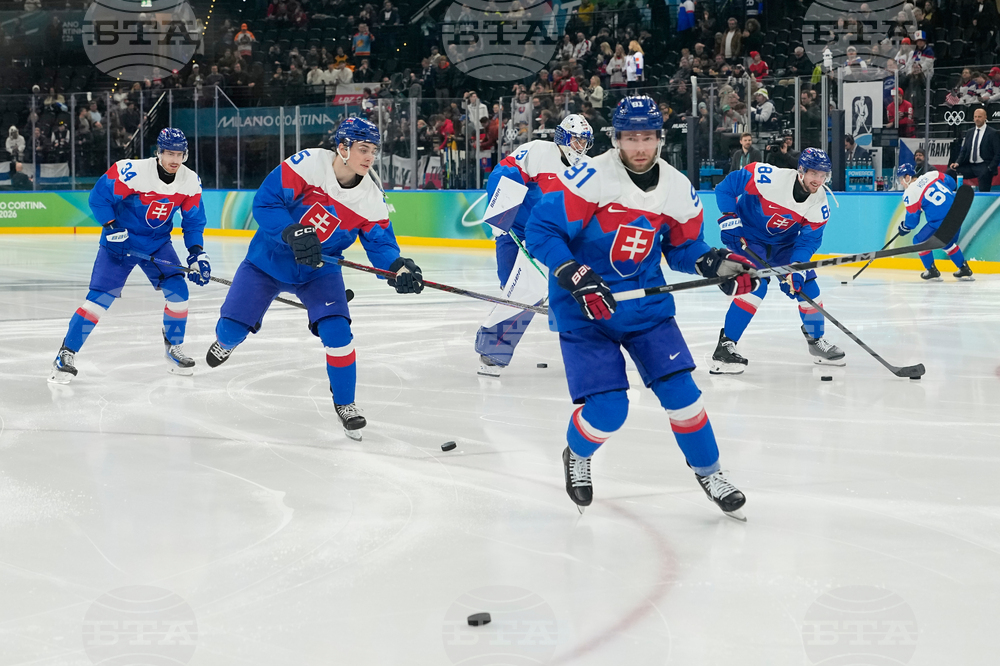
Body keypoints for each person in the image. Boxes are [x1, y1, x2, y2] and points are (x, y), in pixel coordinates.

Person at [524, 96, 757, 519]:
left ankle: (711, 472)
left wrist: (713, 262)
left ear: (659, 139)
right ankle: (576, 453)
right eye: (630, 138)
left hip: (646, 307)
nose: (640, 148)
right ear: (616, 140)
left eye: (647, 137)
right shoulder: (590, 176)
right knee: (609, 411)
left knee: (684, 396)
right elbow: (543, 231)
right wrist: (573, 273)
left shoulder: (676, 187)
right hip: (586, 309)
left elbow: (685, 247)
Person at [203, 118, 423, 441]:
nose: (369, 157)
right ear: (343, 147)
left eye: (373, 151)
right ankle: (226, 341)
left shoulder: (371, 198)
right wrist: (290, 231)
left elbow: (381, 245)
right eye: (363, 149)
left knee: (338, 332)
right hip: (268, 261)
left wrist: (397, 268)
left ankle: (346, 404)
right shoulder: (308, 165)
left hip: (319, 270)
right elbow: (265, 201)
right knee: (231, 328)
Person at [48, 129, 209, 383]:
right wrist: (111, 227)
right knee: (98, 301)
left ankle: (173, 349)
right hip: (120, 245)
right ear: (159, 153)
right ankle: (65, 354)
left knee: (179, 292)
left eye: (179, 154)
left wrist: (197, 253)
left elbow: (193, 222)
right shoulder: (132, 171)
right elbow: (99, 198)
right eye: (169, 153)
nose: (174, 159)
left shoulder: (190, 181)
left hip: (157, 245)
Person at [474, 114, 594, 377]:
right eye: (576, 140)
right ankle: (493, 344)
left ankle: (493, 349)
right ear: (563, 137)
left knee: (531, 289)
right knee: (511, 287)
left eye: (584, 142)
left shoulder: (588, 168)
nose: (580, 147)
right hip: (515, 229)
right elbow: (505, 172)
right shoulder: (538, 151)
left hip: (547, 236)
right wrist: (501, 214)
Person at [710, 148, 845, 374]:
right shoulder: (769, 178)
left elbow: (809, 242)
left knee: (808, 287)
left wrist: (796, 269)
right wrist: (728, 217)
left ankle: (816, 340)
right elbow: (726, 188)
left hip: (785, 246)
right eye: (815, 174)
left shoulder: (820, 203)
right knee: (754, 286)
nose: (819, 181)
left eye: (824, 175)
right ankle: (725, 347)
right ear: (801, 171)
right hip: (749, 238)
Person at [896, 164, 974, 280]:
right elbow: (952, 183)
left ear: (907, 177)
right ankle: (964, 268)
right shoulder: (932, 175)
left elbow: (912, 221)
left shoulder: (910, 193)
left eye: (901, 179)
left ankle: (931, 270)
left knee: (918, 240)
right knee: (945, 242)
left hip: (939, 220)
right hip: (957, 214)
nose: (901, 183)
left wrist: (904, 227)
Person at [949, 107, 1000, 192]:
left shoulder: (992, 133)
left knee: (985, 175)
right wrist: (957, 163)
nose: (977, 119)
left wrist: (990, 167)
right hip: (970, 165)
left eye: (979, 117)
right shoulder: (970, 132)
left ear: (985, 117)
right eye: (975, 117)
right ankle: (952, 195)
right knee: (950, 172)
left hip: (984, 165)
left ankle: (983, 201)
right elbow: (964, 151)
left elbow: (998, 153)